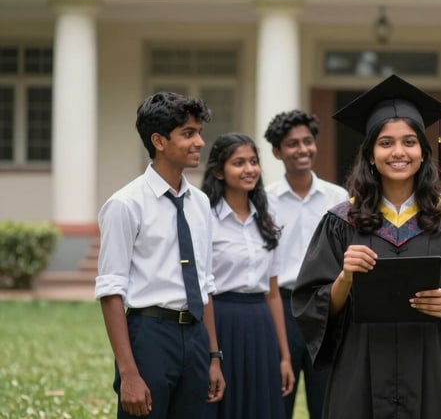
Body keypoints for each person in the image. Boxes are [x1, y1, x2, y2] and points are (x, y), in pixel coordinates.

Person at [291, 74, 441, 419]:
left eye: (409, 142)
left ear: (423, 151)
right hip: (360, 368)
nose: (399, 152)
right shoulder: (342, 222)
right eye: (386, 143)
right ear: (371, 154)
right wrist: (344, 278)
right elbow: (308, 305)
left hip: (432, 366)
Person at [95, 92, 225, 418]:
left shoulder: (200, 203)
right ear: (159, 141)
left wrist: (213, 357)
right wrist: (128, 374)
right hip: (150, 335)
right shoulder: (125, 204)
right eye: (188, 133)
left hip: (195, 335)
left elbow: (205, 284)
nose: (199, 142)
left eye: (198, 132)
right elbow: (111, 291)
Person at [201, 133, 295, 419]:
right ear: (219, 171)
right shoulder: (206, 218)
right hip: (221, 321)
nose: (249, 169)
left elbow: (273, 292)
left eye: (253, 162)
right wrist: (212, 354)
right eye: (238, 163)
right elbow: (204, 290)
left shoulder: (267, 219)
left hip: (261, 324)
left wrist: (285, 355)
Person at [264, 109, 348, 419]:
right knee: (276, 401)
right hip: (280, 307)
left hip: (325, 307)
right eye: (292, 144)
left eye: (308, 141)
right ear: (277, 151)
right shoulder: (264, 200)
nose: (302, 149)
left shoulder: (338, 198)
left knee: (327, 402)